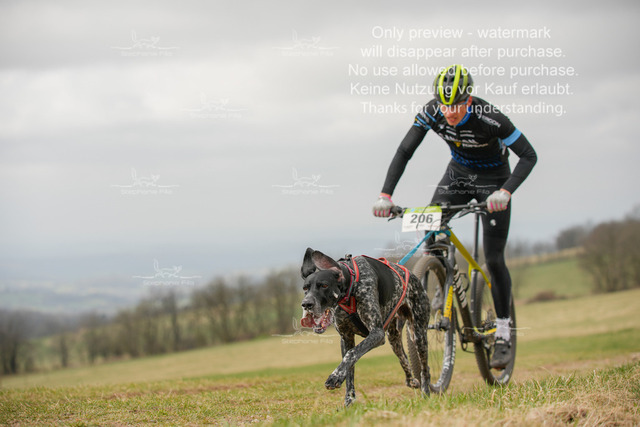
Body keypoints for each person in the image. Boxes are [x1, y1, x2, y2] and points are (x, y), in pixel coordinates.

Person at [372, 64, 537, 369]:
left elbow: (529, 156)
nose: (449, 112)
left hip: (493, 181)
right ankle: (438, 279)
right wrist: (386, 195)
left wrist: (506, 191)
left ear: (468, 98)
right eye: (444, 105)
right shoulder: (432, 111)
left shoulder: (491, 117)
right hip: (457, 177)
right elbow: (405, 151)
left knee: (494, 258)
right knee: (431, 223)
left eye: (456, 106)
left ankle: (503, 332)